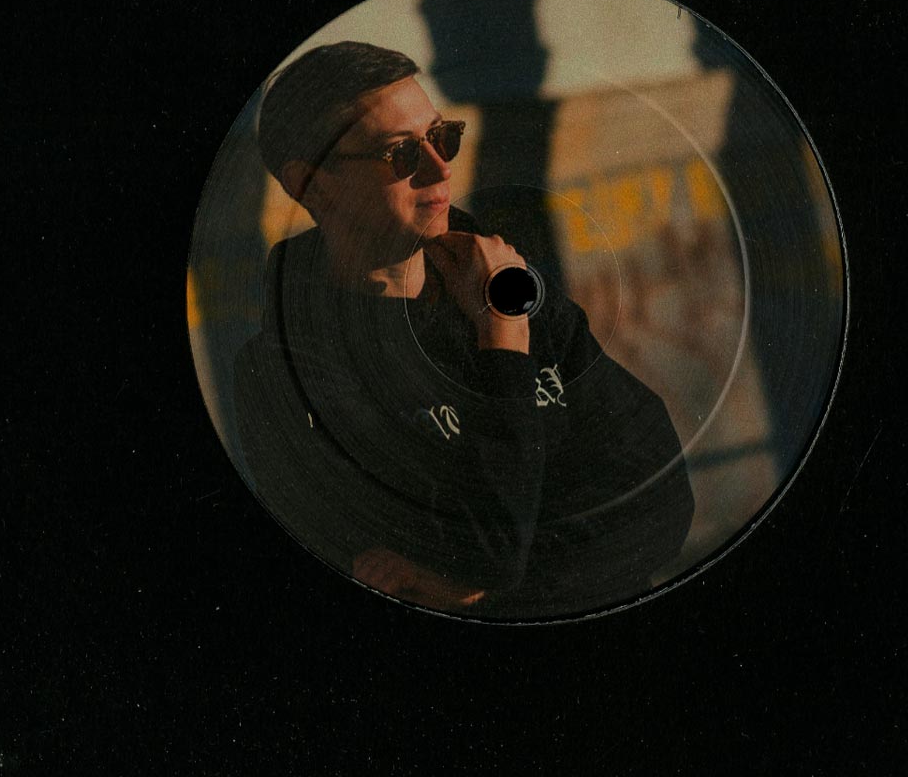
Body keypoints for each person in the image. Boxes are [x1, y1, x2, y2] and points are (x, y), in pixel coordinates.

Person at [230, 40, 696, 617]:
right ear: (311, 184)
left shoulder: (502, 277)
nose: (441, 167)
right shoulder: (289, 376)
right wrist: (502, 340)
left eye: (441, 136)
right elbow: (485, 553)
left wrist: (484, 594)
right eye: (402, 153)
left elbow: (662, 501)